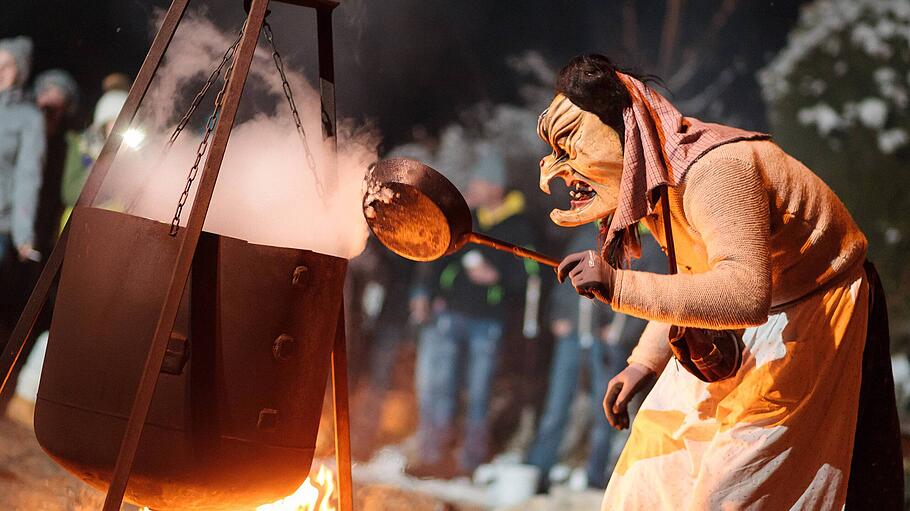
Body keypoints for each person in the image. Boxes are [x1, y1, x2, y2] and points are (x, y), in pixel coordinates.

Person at [536, 54, 901, 508]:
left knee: (734, 490)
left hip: (812, 312)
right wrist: (642, 363)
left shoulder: (715, 169)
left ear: (623, 133)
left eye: (571, 145)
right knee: (645, 477)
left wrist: (620, 287)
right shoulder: (658, 179)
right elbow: (696, 273)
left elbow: (744, 294)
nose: (556, 170)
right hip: (740, 318)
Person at [409, 144, 536, 477]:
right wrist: (430, 293)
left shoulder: (519, 226)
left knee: (479, 393)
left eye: (478, 184)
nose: (472, 189)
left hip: (488, 323)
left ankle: (470, 461)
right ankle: (432, 454)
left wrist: (498, 277)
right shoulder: (467, 217)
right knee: (440, 388)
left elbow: (531, 274)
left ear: (495, 187)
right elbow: (439, 255)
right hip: (449, 315)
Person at [526, 225, 664, 491]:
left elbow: (650, 294)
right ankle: (537, 473)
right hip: (573, 335)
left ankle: (595, 477)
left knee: (605, 411)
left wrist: (617, 332)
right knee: (557, 407)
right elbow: (563, 274)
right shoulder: (589, 233)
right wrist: (558, 315)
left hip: (608, 342)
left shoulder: (647, 242)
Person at [0, 36, 46, 418]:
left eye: (8, 65)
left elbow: (28, 178)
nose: (0, 71)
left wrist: (22, 235)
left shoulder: (28, 118)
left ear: (20, 72)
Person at [60, 88, 127, 228]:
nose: (119, 129)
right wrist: (102, 164)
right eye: (114, 122)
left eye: (124, 123)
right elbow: (70, 194)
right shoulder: (82, 147)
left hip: (115, 227)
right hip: (80, 226)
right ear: (103, 125)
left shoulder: (132, 154)